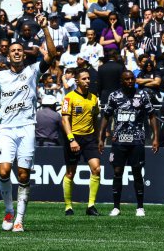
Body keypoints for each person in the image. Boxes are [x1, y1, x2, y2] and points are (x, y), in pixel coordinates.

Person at [0, 14, 56, 232]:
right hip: (7, 129)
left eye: (20, 50)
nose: (17, 52)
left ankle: (20, 219)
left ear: (23, 54)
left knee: (23, 175)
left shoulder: (33, 71)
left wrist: (45, 28)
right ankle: (9, 210)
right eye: (13, 51)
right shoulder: (0, 77)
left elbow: (53, 54)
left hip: (27, 128)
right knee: (3, 171)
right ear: (8, 55)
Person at [98, 70, 159, 217]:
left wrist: (155, 137)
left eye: (132, 78)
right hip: (119, 140)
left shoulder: (142, 95)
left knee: (137, 172)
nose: (130, 81)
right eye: (127, 79)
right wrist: (101, 137)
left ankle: (139, 207)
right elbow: (106, 117)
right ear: (121, 81)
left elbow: (151, 116)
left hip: (137, 140)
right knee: (117, 172)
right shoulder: (114, 96)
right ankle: (116, 207)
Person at [61, 67, 102, 216]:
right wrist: (71, 139)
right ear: (77, 80)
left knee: (97, 169)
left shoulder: (93, 98)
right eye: (84, 79)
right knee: (70, 173)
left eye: (89, 78)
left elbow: (95, 119)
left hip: (89, 138)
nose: (87, 81)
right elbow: (65, 120)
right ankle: (68, 206)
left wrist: (98, 138)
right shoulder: (69, 97)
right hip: (73, 138)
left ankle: (91, 206)